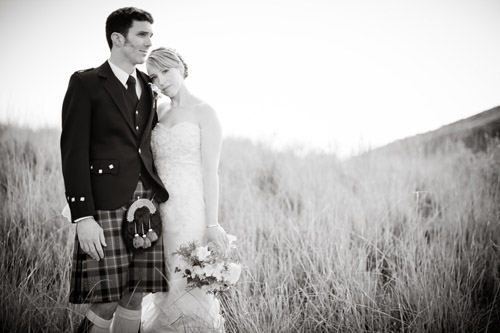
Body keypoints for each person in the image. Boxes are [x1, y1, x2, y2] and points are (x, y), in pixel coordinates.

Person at [60, 7, 169, 333]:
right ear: (117, 38)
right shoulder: (87, 83)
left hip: (145, 203)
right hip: (104, 204)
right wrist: (83, 216)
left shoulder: (149, 86)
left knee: (136, 293)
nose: (149, 42)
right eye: (142, 34)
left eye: (151, 34)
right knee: (105, 297)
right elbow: (73, 152)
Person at [140, 47, 229, 332]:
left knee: (187, 281)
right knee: (161, 283)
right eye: (154, 77)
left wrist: (212, 223)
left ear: (180, 66)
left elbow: (210, 173)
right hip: (159, 212)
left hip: (190, 210)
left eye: (166, 71)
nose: (162, 81)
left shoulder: (205, 112)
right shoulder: (158, 111)